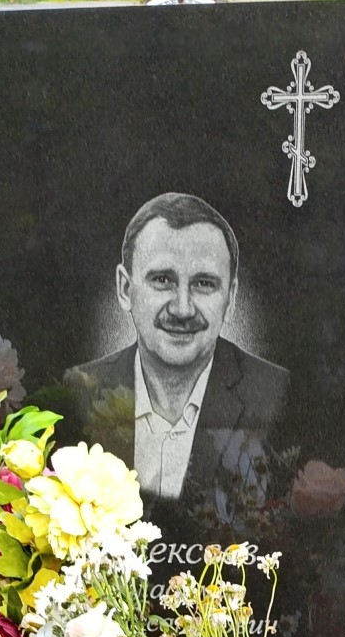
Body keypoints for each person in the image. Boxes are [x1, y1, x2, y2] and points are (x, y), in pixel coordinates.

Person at [64, 192, 289, 507]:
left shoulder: (279, 394)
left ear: (230, 298)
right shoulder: (75, 390)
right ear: (125, 289)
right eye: (162, 279)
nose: (182, 309)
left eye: (204, 283)